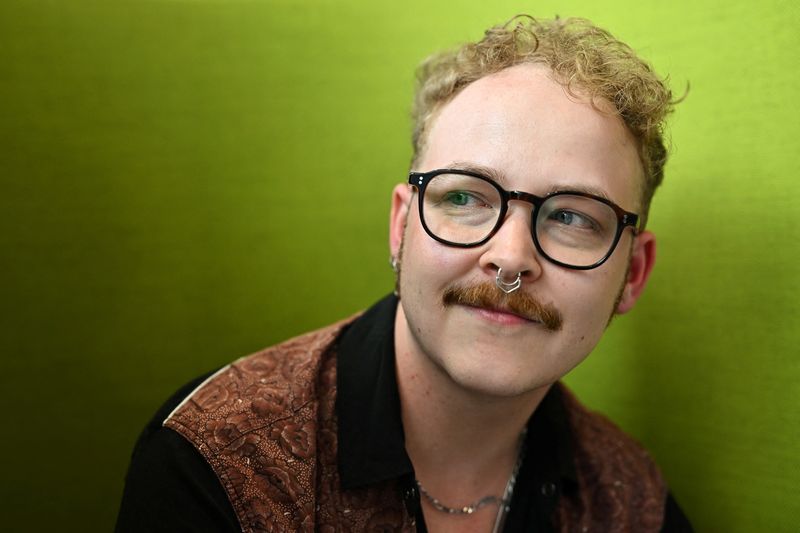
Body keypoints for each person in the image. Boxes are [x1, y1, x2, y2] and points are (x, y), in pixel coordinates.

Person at [116, 14, 693, 533]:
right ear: (401, 227)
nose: (512, 257)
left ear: (633, 274)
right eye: (465, 198)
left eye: (571, 216)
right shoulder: (216, 462)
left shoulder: (633, 504)